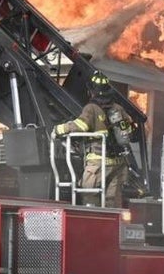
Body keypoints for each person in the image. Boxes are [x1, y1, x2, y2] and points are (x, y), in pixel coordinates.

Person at [53, 71, 131, 208]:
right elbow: (129, 130)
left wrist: (59, 129)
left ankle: (93, 224)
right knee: (112, 200)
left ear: (91, 91)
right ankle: (111, 227)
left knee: (90, 195)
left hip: (98, 163)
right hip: (118, 163)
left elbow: (80, 126)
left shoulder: (91, 108)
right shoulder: (118, 109)